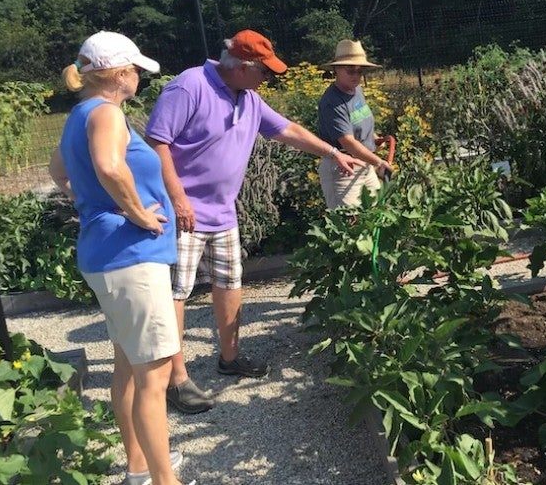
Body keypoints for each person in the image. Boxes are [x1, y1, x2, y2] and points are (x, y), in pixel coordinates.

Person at [145, 29, 360, 414]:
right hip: (185, 213)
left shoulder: (250, 98)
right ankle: (176, 380)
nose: (269, 78)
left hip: (223, 212)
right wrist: (178, 200)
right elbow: (157, 142)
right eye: (265, 72)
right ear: (244, 67)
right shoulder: (188, 87)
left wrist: (331, 152)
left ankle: (230, 359)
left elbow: (288, 130)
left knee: (229, 284)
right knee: (175, 294)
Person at [49, 31, 192, 485]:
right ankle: (164, 482)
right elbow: (110, 167)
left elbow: (58, 171)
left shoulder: (81, 113)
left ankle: (139, 468)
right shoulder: (108, 113)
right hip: (131, 256)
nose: (137, 78)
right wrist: (136, 214)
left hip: (106, 255)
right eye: (134, 70)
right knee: (155, 375)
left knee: (128, 364)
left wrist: (94, 206)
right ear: (120, 73)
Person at [317, 39, 394, 209]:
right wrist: (379, 162)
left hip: (364, 163)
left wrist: (372, 138)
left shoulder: (356, 91)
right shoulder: (333, 102)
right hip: (344, 168)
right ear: (336, 69)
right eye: (351, 70)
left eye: (360, 71)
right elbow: (348, 143)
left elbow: (360, 121)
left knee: (378, 214)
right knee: (349, 226)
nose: (356, 75)